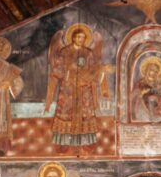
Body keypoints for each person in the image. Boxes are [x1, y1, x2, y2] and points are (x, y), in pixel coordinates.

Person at [45, 24, 112, 152]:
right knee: (66, 114)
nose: (81, 40)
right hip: (68, 88)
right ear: (73, 38)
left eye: (83, 38)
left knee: (85, 114)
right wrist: (68, 69)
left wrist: (102, 69)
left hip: (84, 88)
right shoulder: (64, 52)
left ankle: (86, 142)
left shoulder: (88, 53)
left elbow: (94, 69)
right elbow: (57, 69)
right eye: (78, 37)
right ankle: (64, 142)